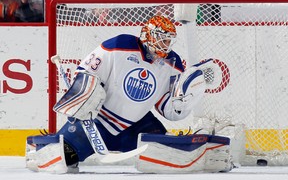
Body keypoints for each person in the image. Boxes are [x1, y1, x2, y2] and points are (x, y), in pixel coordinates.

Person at [25, 15, 224, 173]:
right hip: (98, 121)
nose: (167, 46)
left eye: (169, 41)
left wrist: (183, 102)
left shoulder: (173, 63)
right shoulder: (119, 44)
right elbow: (87, 70)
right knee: (61, 157)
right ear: (149, 35)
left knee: (166, 155)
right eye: (163, 40)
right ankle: (40, 148)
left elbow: (168, 109)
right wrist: (85, 95)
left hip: (137, 124)